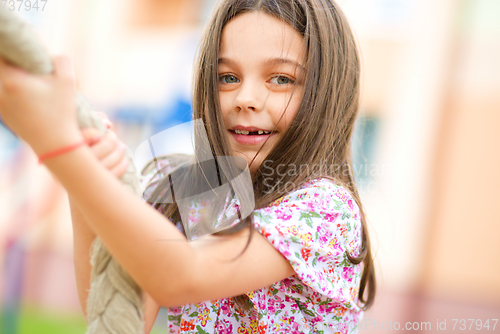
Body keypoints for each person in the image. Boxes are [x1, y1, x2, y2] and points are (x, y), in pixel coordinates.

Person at [0, 0, 376, 333]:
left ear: (326, 94)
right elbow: (119, 314)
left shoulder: (326, 209)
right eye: (227, 77)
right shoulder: (205, 193)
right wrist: (90, 171)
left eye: (281, 79)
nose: (245, 98)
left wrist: (61, 148)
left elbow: (180, 276)